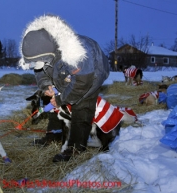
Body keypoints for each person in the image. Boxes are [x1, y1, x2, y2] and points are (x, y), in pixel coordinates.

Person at [19, 15, 110, 162]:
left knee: (82, 105)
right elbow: (40, 71)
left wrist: (61, 99)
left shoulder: (77, 54)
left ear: (47, 54)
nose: (33, 65)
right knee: (52, 100)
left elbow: (81, 84)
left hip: (91, 74)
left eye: (36, 61)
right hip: (64, 73)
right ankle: (54, 135)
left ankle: (75, 149)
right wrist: (46, 85)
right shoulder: (43, 51)